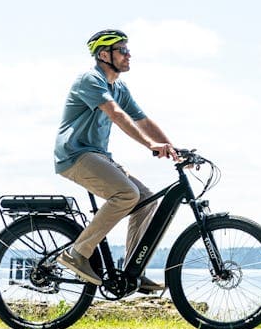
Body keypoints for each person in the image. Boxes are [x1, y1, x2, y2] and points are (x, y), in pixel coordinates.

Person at [53, 29, 178, 292]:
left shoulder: (119, 87)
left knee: (146, 200)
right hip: (75, 155)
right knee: (126, 194)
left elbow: (142, 120)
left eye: (127, 49)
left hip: (98, 156)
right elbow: (117, 115)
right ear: (103, 54)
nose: (128, 54)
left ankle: (134, 269)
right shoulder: (91, 80)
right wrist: (150, 145)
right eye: (122, 50)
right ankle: (77, 253)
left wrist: (173, 149)